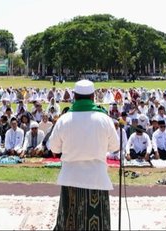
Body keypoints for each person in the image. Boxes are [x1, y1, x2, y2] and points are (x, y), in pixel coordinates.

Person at [49, 80, 119, 231]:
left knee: (69, 221)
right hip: (97, 178)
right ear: (93, 97)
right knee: (97, 222)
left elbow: (53, 147)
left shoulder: (64, 119)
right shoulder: (104, 119)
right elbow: (115, 146)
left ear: (74, 96)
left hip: (71, 178)